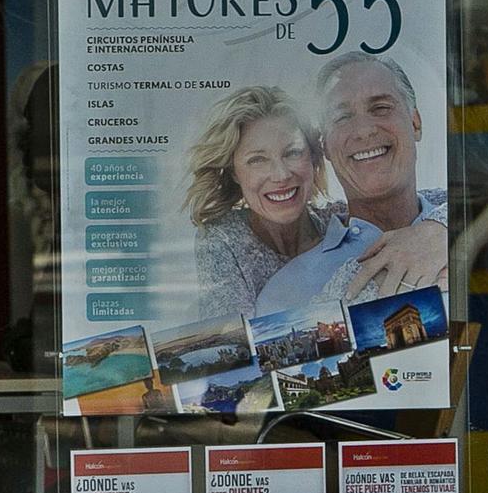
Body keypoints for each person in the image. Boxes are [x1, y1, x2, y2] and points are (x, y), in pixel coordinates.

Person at [254, 52, 449, 315]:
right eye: (342, 117)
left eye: (380, 108)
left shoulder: (472, 228)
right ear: (324, 146)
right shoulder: (284, 293)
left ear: (415, 123)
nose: (364, 130)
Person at [184, 86, 333, 320]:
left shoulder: (340, 220)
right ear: (234, 172)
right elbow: (235, 345)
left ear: (313, 157)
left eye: (292, 152)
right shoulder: (223, 239)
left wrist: (414, 238)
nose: (281, 175)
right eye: (257, 160)